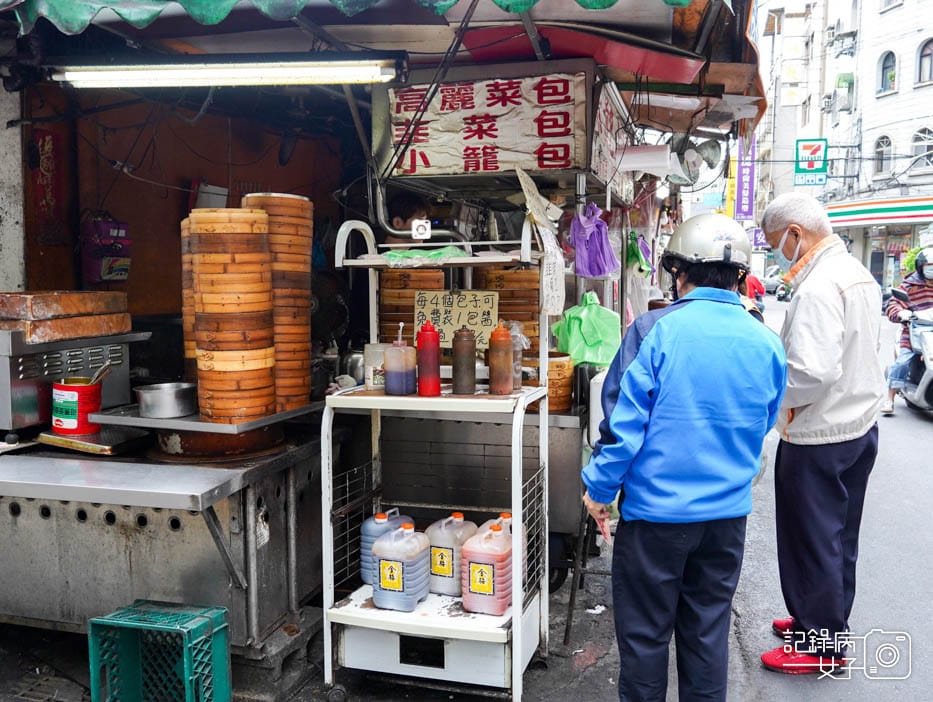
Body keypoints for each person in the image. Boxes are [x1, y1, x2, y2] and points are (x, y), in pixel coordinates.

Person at [581, 213, 787, 701]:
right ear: (740, 276)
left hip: (654, 522)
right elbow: (764, 422)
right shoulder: (766, 341)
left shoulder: (654, 330)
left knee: (645, 643)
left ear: (680, 272)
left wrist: (599, 492)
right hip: (726, 522)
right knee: (706, 638)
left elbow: (621, 428)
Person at [758, 192, 885, 674]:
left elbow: (810, 373)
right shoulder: (857, 274)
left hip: (820, 435)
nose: (775, 254)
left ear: (796, 234)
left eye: (775, 244)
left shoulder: (817, 287)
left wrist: (766, 402)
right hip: (857, 427)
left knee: (811, 539)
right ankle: (822, 622)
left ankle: (820, 645)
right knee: (838, 537)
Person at [881, 246, 933, 415]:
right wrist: (900, 313)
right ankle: (889, 399)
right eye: (929, 265)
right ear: (921, 266)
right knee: (902, 362)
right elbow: (893, 302)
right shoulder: (910, 285)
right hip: (913, 332)